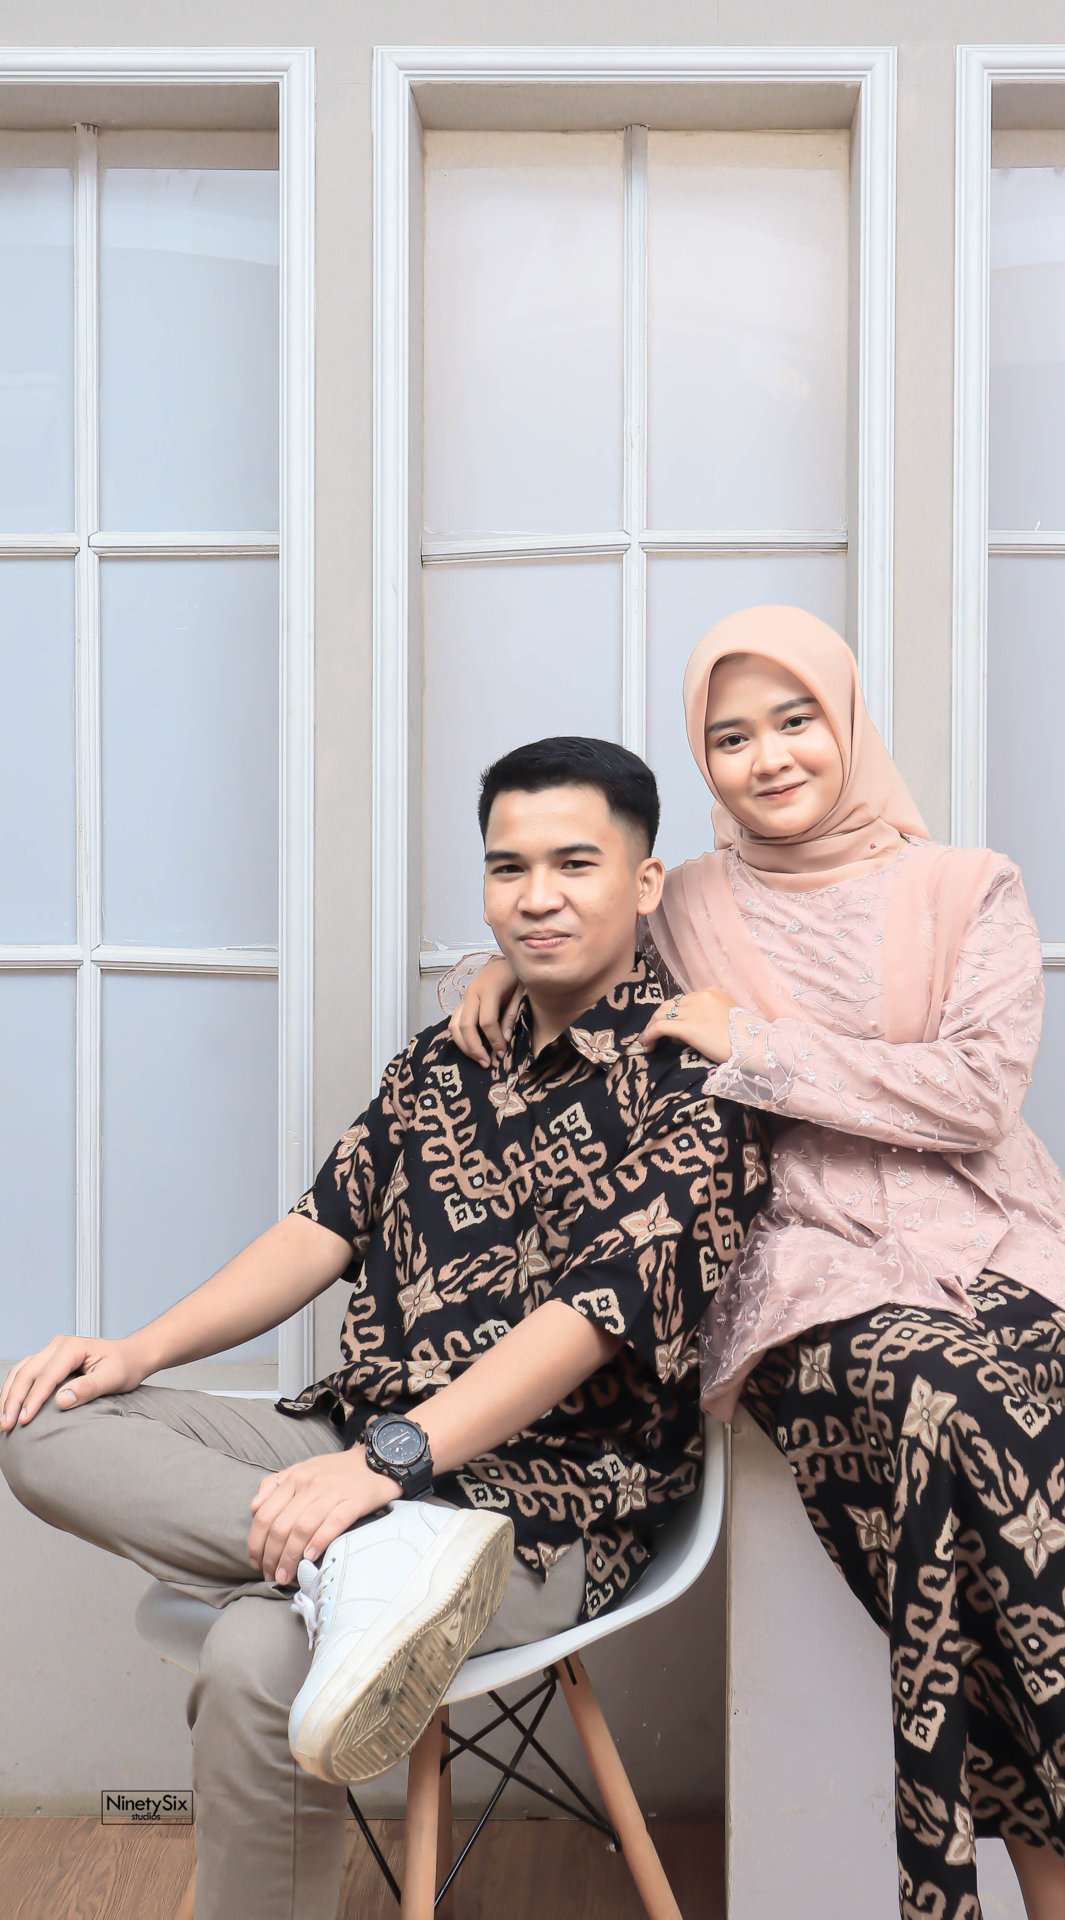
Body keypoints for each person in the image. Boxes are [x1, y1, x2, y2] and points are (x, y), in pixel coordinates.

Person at [448, 608, 1065, 1920]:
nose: (768, 756)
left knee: (973, 1501)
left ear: (846, 722)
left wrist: (759, 1046)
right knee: (940, 1405)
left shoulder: (968, 888)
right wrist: (490, 967)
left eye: (795, 720)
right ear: (703, 759)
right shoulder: (689, 902)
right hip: (814, 1274)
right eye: (731, 736)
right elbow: (576, 932)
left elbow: (975, 1097)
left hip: (1003, 1248)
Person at [1, 735, 767, 1920]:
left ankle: (376, 1557)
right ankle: (368, 1565)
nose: (538, 896)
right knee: (45, 1419)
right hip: (357, 1443)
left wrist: (389, 1464)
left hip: (549, 1507)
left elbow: (589, 1319)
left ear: (644, 881)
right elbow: (320, 1227)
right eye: (508, 868)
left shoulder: (695, 1082)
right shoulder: (443, 1060)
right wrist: (135, 1351)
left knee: (255, 1654)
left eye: (574, 864)